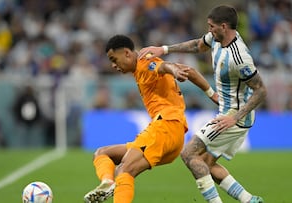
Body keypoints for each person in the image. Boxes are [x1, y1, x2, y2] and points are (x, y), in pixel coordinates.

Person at [139, 5, 267, 203]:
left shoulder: (239, 57)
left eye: (211, 26)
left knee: (189, 154)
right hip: (228, 111)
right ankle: (250, 200)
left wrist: (234, 118)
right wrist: (163, 49)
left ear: (223, 26)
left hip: (233, 116)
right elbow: (197, 45)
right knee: (206, 163)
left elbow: (261, 90)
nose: (209, 30)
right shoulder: (217, 39)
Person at [83, 34, 218, 203]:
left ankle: (112, 183)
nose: (113, 65)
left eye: (114, 59)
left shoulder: (144, 63)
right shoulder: (140, 66)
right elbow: (190, 71)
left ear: (126, 53)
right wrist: (212, 94)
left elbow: (163, 66)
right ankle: (107, 182)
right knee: (102, 153)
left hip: (166, 126)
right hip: (172, 133)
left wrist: (173, 69)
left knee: (124, 170)